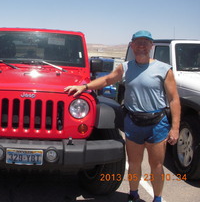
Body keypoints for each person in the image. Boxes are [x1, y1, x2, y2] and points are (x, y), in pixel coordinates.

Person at [64, 30, 181, 202]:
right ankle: (133, 194)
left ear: (151, 46)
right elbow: (107, 80)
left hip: (157, 124)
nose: (141, 46)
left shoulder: (164, 69)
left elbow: (174, 99)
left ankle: (157, 198)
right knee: (134, 164)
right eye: (138, 43)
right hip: (133, 123)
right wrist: (85, 87)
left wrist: (175, 128)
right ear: (132, 45)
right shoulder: (125, 67)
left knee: (156, 166)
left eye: (145, 43)